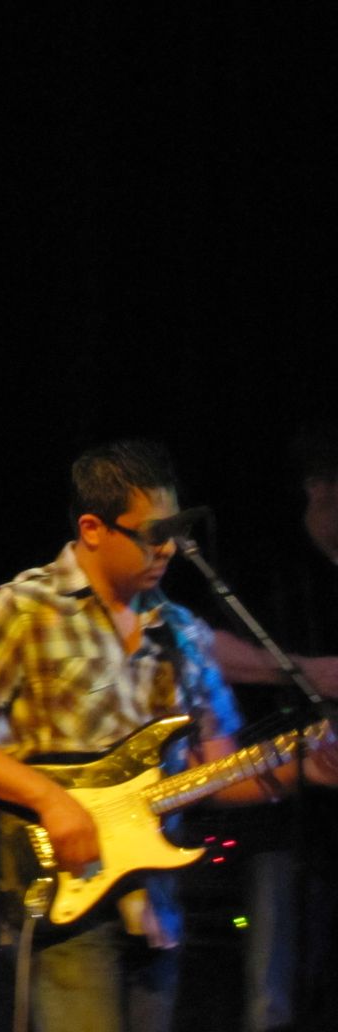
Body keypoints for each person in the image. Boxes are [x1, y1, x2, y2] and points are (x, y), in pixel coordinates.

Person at [0, 439, 338, 1032]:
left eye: (174, 532)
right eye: (150, 534)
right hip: (64, 898)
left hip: (156, 910)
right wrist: (50, 800)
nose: (168, 549)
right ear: (93, 528)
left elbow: (213, 775)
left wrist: (305, 767)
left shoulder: (181, 632)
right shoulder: (24, 608)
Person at [211, 425, 338, 1032]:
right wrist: (310, 673)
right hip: (281, 819)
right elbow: (203, 652)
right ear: (319, 489)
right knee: (273, 999)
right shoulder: (266, 570)